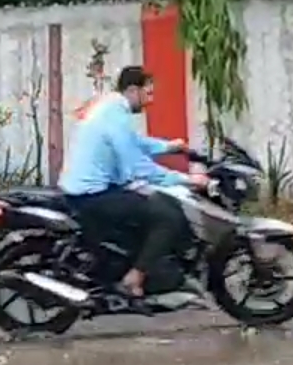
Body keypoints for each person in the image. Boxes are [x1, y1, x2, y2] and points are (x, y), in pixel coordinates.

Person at [57, 65, 206, 297]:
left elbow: (133, 142)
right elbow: (137, 165)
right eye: (149, 93)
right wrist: (186, 179)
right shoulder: (116, 113)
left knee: (149, 203)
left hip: (88, 189)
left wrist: (169, 147)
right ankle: (134, 277)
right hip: (92, 196)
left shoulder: (109, 107)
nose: (150, 100)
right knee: (168, 214)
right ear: (134, 90)